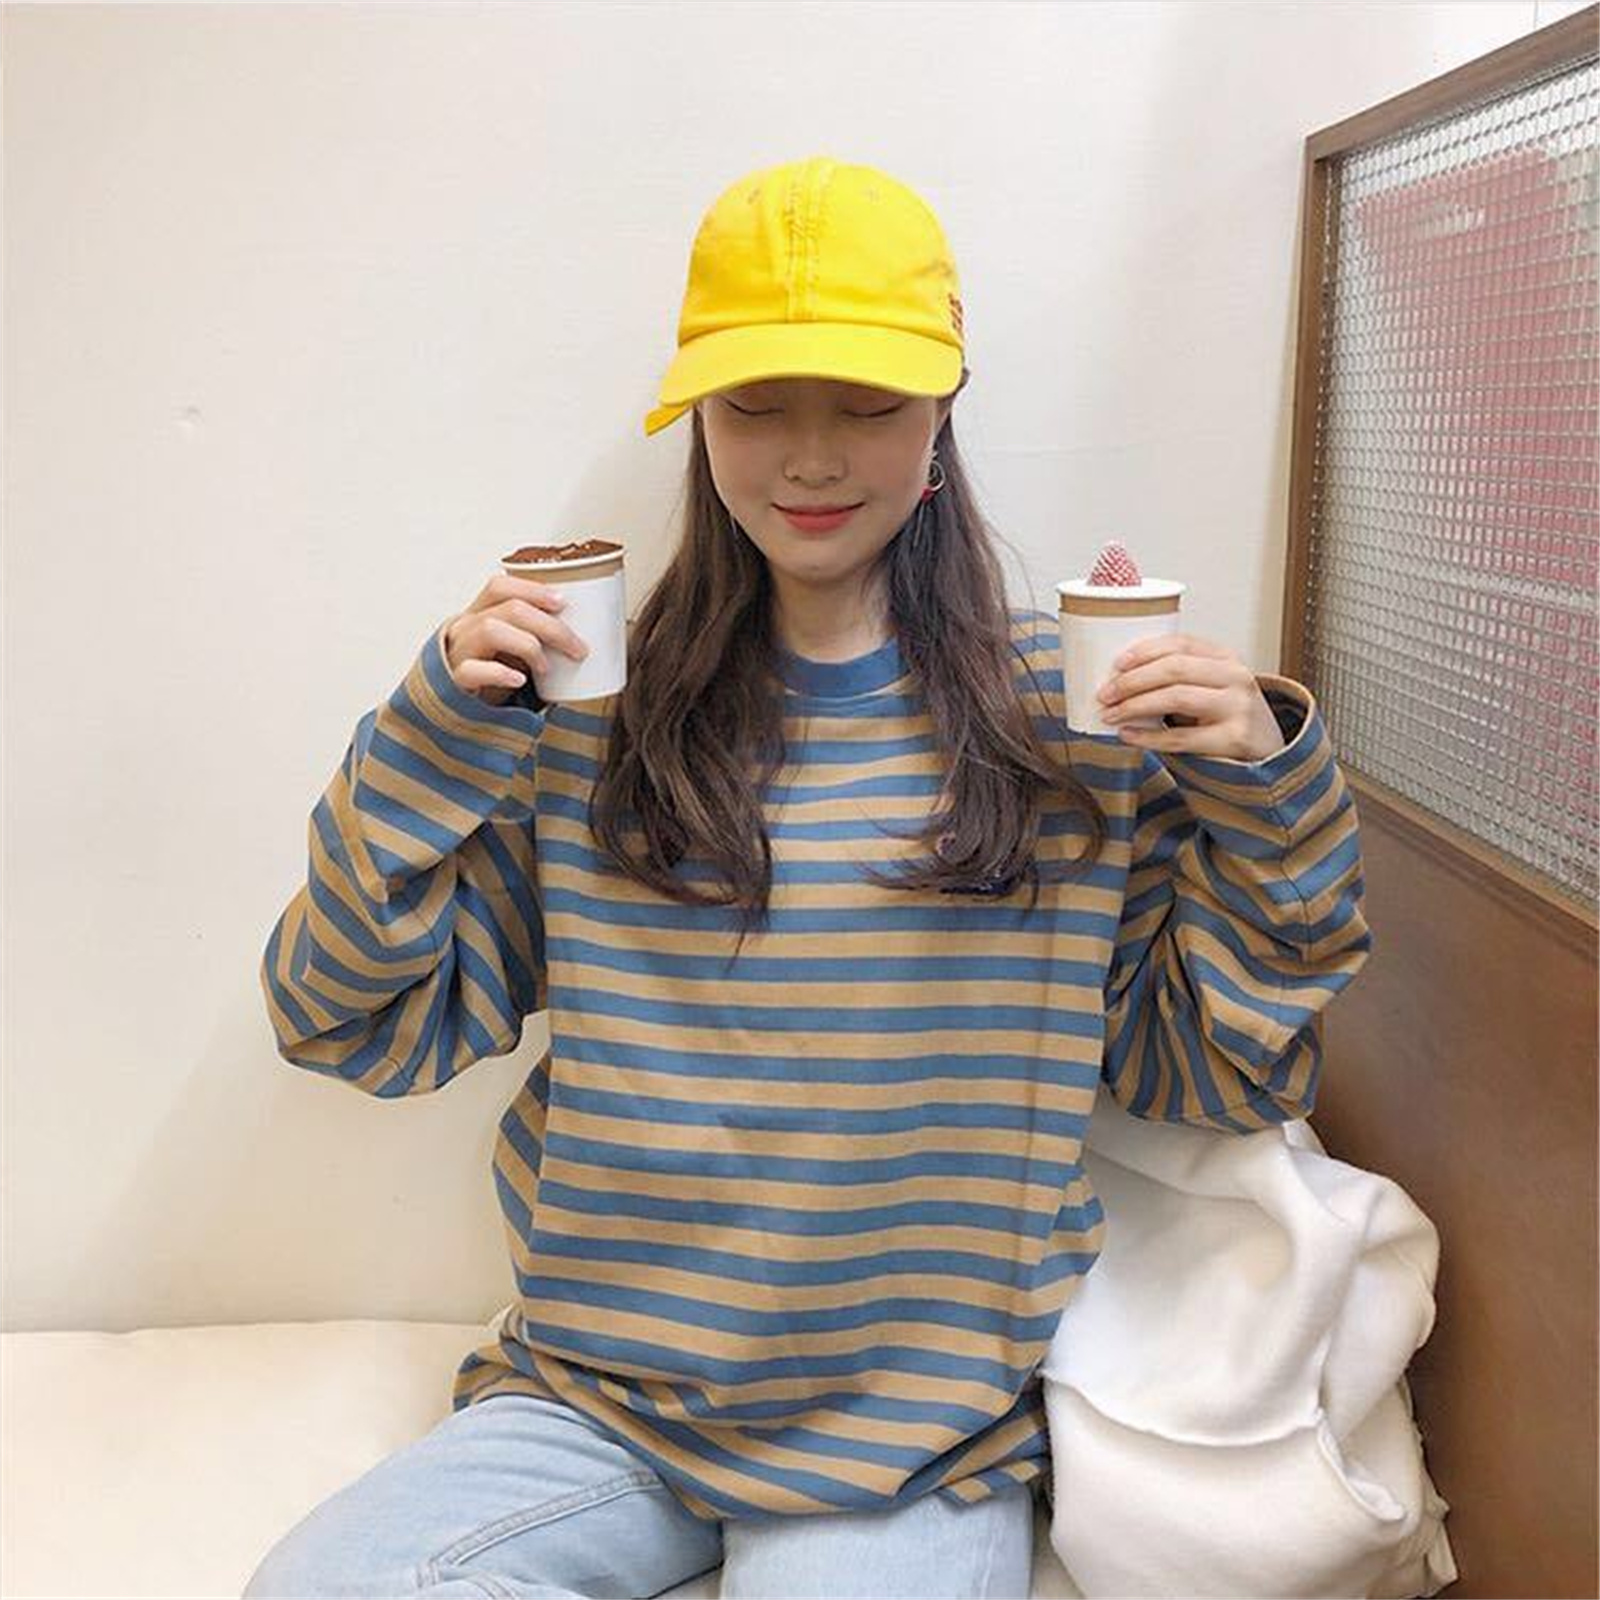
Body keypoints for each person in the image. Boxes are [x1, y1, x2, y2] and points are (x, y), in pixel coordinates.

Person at [247, 154, 1371, 1599]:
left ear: (946, 405)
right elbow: (348, 1025)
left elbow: (1210, 1076)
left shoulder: (1071, 720)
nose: (812, 459)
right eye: (757, 406)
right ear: (699, 420)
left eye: (869, 405)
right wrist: (430, 737)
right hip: (599, 1402)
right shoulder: (588, 715)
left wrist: (1267, 793)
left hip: (911, 1449)